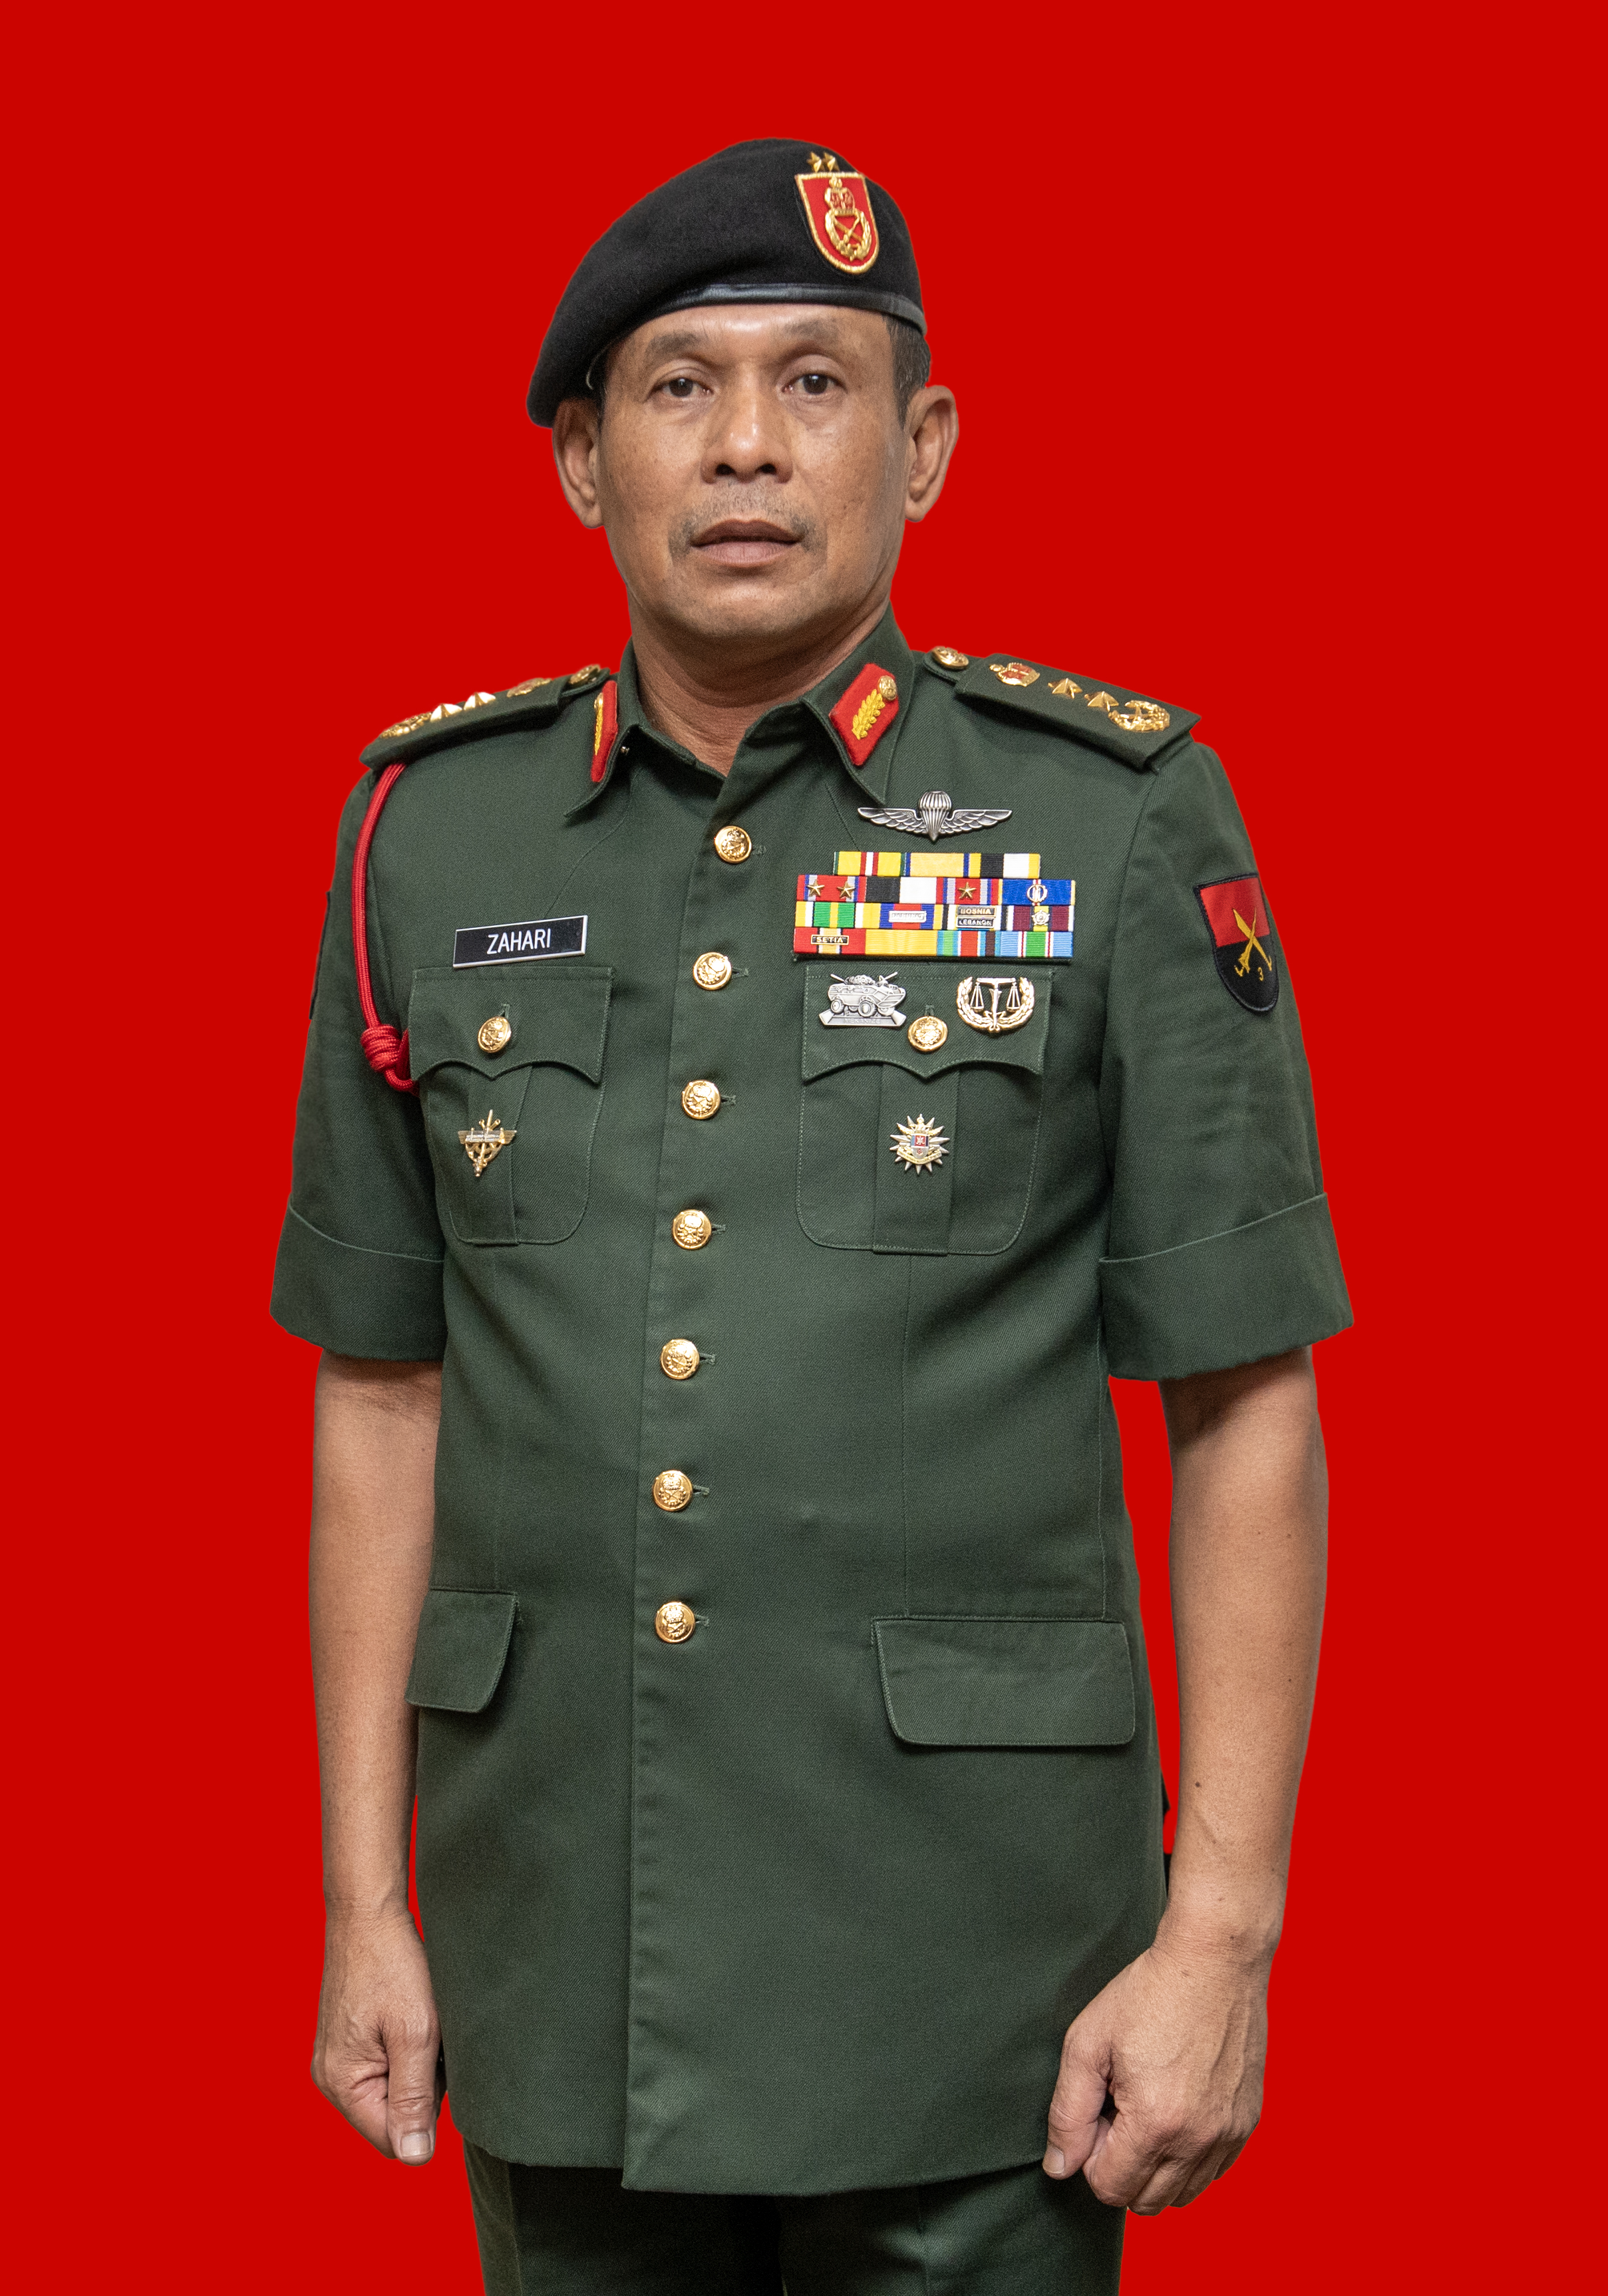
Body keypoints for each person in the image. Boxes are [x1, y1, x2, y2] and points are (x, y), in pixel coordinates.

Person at [272, 137, 1350, 2295]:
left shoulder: (1110, 817)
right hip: (559, 1936)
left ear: (922, 447)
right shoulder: (427, 833)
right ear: (582, 461)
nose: (747, 445)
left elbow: (1244, 1409)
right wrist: (365, 1901)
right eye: (678, 388)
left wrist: (1217, 1935)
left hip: (982, 1965)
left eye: (816, 383)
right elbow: (383, 1396)